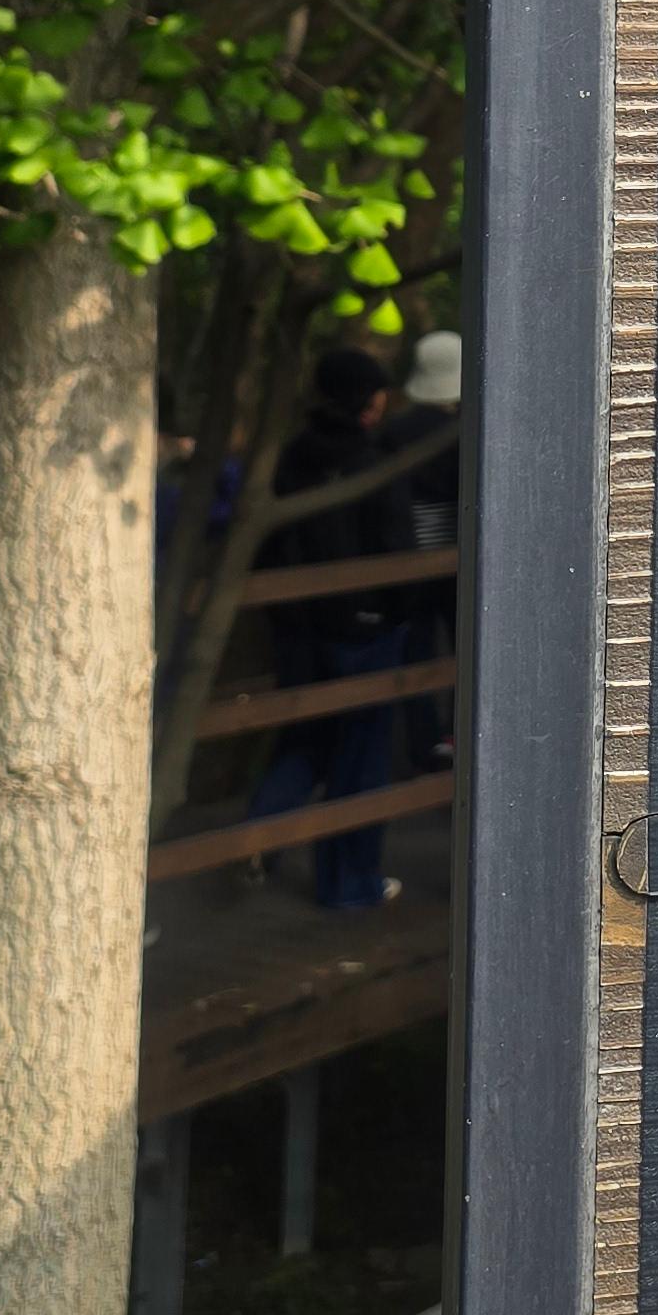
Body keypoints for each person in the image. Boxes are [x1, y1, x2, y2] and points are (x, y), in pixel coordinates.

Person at [247, 344, 416, 908]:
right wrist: (396, 610)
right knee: (360, 757)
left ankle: (253, 840)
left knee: (307, 737)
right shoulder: (373, 461)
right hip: (363, 628)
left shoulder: (289, 457)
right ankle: (349, 884)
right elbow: (395, 545)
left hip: (298, 627)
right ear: (369, 401)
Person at [394, 328, 462, 772]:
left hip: (407, 558)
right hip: (456, 559)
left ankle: (423, 743)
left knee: (415, 649)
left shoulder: (395, 432)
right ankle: (458, 735)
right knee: (465, 647)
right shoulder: (466, 432)